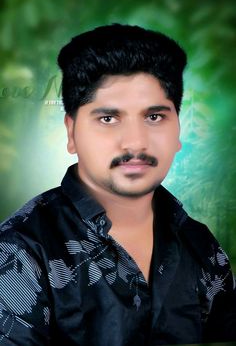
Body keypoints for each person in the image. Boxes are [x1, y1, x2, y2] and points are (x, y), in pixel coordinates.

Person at [0, 24, 235, 346]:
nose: (135, 142)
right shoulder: (20, 252)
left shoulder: (201, 246)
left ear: (178, 128)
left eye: (154, 117)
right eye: (108, 118)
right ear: (71, 132)